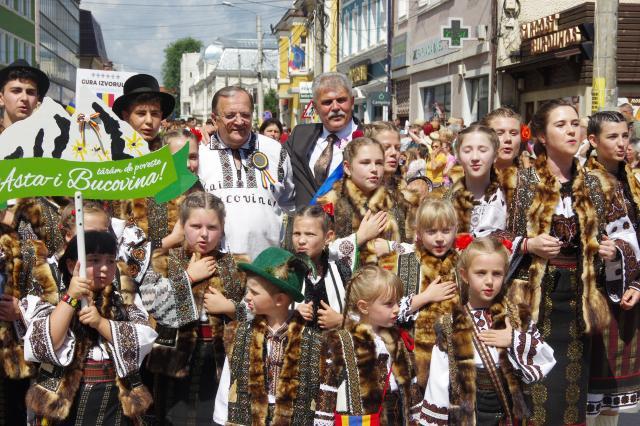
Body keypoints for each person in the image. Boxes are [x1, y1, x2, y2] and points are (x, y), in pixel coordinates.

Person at [500, 99, 634, 425]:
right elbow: (490, 239)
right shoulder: (518, 182)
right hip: (532, 300)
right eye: (561, 125)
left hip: (579, 300)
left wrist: (614, 250)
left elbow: (626, 237)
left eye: (575, 123)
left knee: (571, 393)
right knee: (531, 391)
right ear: (542, 136)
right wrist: (527, 244)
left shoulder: (600, 184)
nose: (571, 130)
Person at [22, 231, 157, 425]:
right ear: (71, 265)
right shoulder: (51, 301)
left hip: (114, 405)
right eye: (93, 260)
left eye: (110, 261)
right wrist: (70, 299)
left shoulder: (125, 305)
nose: (104, 268)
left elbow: (144, 339)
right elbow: (44, 344)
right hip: (65, 408)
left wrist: (100, 323)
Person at [420, 237, 556, 425]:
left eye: (497, 274)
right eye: (481, 273)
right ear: (465, 275)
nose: (489, 281)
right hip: (468, 413)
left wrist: (513, 339)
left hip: (509, 409)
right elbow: (438, 380)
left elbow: (546, 360)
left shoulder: (518, 316)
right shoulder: (449, 324)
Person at [140, 192, 245, 424]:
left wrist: (230, 308)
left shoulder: (238, 265)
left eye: (212, 227)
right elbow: (152, 304)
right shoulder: (162, 260)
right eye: (195, 226)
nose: (204, 234)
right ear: (183, 225)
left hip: (220, 362)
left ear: (223, 226)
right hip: (173, 362)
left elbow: (257, 312)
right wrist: (187, 277)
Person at [213, 247, 322, 424]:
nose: (247, 297)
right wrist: (220, 419)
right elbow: (227, 383)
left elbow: (317, 391)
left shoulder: (312, 341)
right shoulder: (239, 335)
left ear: (279, 300)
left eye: (254, 292)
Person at [584, 112, 640, 423]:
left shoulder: (631, 179)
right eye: (612, 137)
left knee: (613, 406)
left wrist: (637, 283)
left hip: (628, 297)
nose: (621, 144)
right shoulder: (584, 182)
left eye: (625, 136)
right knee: (590, 397)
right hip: (596, 296)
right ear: (593, 141)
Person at [313, 265, 422, 425]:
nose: (397, 309)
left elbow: (411, 387)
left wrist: (417, 419)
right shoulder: (340, 342)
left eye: (398, 302)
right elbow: (328, 391)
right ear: (364, 306)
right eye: (389, 303)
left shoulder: (396, 340)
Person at [199, 86, 295, 259]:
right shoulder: (200, 154)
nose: (239, 121)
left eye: (245, 115)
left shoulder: (275, 151)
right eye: (230, 115)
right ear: (214, 119)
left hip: (269, 268)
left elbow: (288, 205)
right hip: (215, 270)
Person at [317, 137, 417, 270]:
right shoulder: (329, 204)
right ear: (347, 168)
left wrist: (391, 247)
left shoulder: (401, 202)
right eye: (365, 163)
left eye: (379, 163)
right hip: (348, 287)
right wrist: (359, 238)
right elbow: (317, 253)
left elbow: (419, 249)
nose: (374, 169)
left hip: (391, 286)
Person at [395, 198, 459, 391]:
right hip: (414, 355)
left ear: (455, 230)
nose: (439, 238)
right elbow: (394, 311)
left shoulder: (461, 263)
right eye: (431, 232)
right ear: (420, 233)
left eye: (446, 231)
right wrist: (427, 296)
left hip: (453, 356)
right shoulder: (407, 262)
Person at [286, 72, 360, 208]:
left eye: (341, 100)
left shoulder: (370, 139)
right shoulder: (299, 136)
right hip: (306, 227)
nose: (336, 107)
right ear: (315, 107)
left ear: (352, 101)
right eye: (327, 102)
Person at [292, 205, 350, 330]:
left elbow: (364, 313)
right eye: (296, 234)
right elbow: (256, 308)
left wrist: (342, 320)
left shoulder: (342, 272)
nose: (301, 240)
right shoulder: (282, 271)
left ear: (328, 237)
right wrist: (291, 313)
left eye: (310, 234)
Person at [446, 125, 507, 237]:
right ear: (458, 156)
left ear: (495, 155)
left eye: (482, 150)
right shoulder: (445, 200)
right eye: (467, 151)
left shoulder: (508, 198)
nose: (474, 157)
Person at [112, 73, 175, 151]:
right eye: (141, 114)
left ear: (161, 116)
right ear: (126, 116)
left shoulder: (171, 152)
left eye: (155, 114)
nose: (149, 121)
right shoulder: (109, 153)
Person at [0, 59, 49, 130]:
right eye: (16, 91)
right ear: (1, 98)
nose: (25, 98)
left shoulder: (47, 138)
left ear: (37, 100)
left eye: (30, 92)